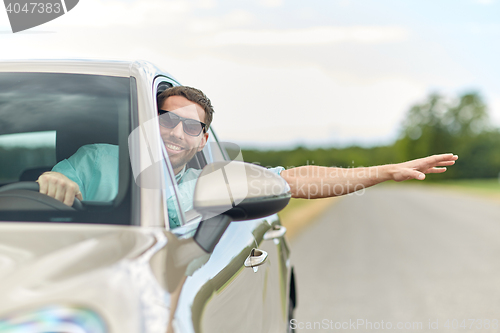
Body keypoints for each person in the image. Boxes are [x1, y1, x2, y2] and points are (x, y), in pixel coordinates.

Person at [37, 86, 458, 216]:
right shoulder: (97, 159)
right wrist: (52, 183)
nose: (177, 132)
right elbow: (56, 187)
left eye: (192, 126)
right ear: (149, 123)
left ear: (203, 139)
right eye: (167, 119)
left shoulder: (213, 178)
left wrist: (383, 170)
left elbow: (292, 179)